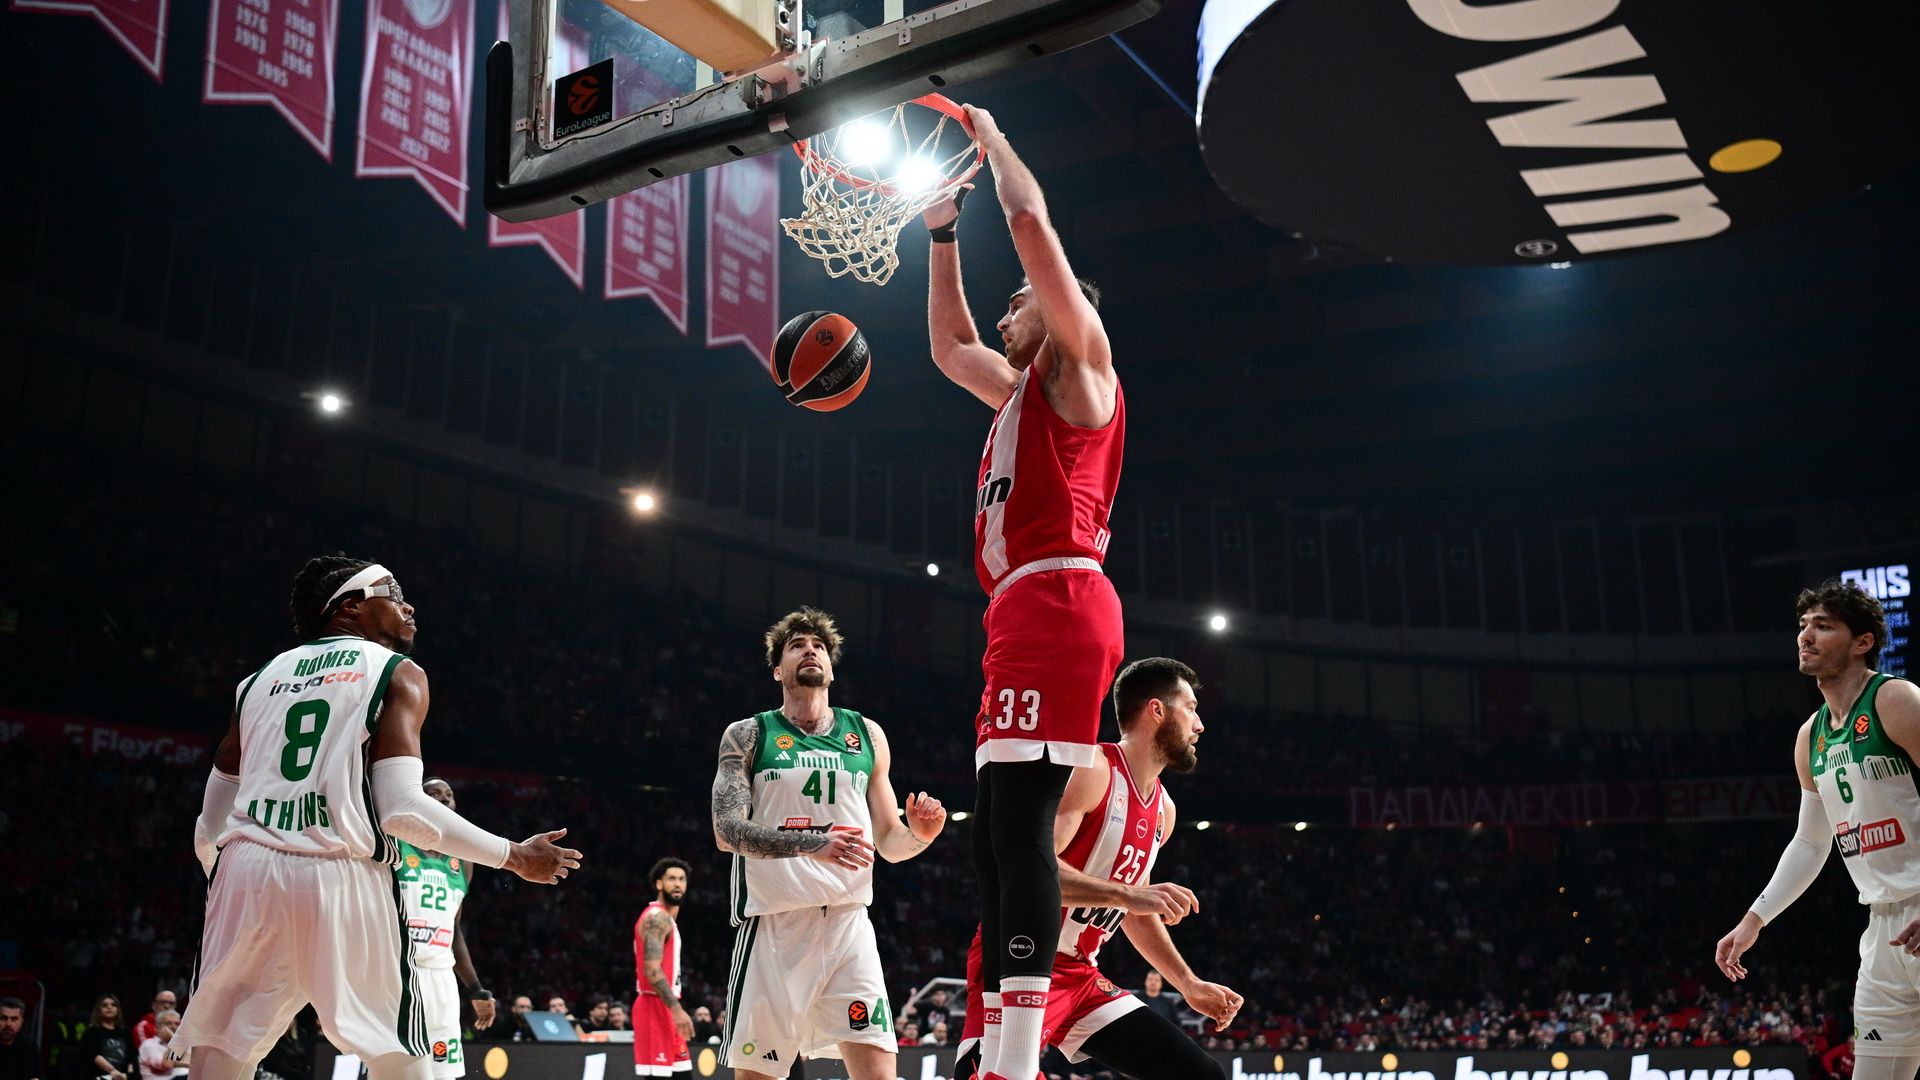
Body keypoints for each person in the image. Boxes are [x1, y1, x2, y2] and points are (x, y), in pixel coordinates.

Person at [173, 557, 582, 1080]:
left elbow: (210, 823)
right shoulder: (395, 671)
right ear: (349, 607)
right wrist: (514, 855)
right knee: (396, 1049)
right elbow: (402, 809)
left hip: (245, 871)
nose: (408, 606)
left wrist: (231, 874)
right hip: (338, 866)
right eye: (393, 593)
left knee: (223, 1048)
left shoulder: (255, 681)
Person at [922, 103, 1127, 1080]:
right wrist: (941, 234)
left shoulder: (1080, 369)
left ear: (1059, 305)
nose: (1006, 318)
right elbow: (949, 347)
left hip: (1059, 599)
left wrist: (990, 140)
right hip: (1021, 610)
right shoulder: (1018, 394)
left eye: (1019, 303)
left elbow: (1033, 223)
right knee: (996, 841)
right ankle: (1009, 1048)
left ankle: (1011, 1060)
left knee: (1021, 828)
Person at [955, 659, 1242, 1080]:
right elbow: (1027, 871)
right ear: (1156, 710)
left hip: (1080, 977)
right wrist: (1127, 894)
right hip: (1019, 957)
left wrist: (1188, 983)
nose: (1199, 725)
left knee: (1201, 1075)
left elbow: (1136, 911)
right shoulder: (1093, 769)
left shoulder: (1164, 810)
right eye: (1191, 709)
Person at [709, 607, 949, 1080]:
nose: (810, 651)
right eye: (796, 645)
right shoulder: (749, 734)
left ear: (831, 669)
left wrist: (919, 836)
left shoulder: (867, 734)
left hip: (849, 924)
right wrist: (811, 843)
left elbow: (889, 841)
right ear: (777, 669)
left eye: (818, 646)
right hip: (776, 926)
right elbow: (727, 831)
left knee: (879, 1072)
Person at [1715, 580, 1920, 1080]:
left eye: (1823, 626)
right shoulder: (1811, 736)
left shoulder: (1895, 699)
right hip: (1883, 927)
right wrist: (1754, 920)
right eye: (1803, 625)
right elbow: (1810, 842)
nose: (1805, 635)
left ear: (1862, 641)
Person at [396, 776, 498, 1080]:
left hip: (441, 977)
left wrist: (476, 988)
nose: (443, 798)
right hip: (400, 971)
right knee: (395, 1068)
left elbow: (454, 931)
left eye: (449, 795)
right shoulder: (395, 846)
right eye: (434, 794)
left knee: (443, 1072)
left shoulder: (463, 862)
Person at [633, 857, 693, 1077]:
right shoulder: (657, 917)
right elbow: (652, 969)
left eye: (681, 879)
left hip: (667, 1007)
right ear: (659, 884)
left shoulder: (667, 918)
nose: (677, 884)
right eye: (671, 879)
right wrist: (677, 1010)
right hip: (653, 1006)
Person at [81, 996, 133, 1080]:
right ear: (99, 1010)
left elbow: (131, 1057)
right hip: (100, 1076)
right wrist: (113, 1071)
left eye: (113, 1005)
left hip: (123, 1076)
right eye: (104, 1005)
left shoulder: (125, 1032)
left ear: (118, 1010)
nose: (109, 1007)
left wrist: (129, 1075)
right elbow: (95, 1056)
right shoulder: (91, 1032)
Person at [1, 997, 42, 1080]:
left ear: (21, 1022)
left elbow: (37, 1076)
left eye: (14, 1019)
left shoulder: (29, 1046)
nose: (8, 1024)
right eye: (3, 1018)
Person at [135, 1012, 184, 1080]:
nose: (173, 1026)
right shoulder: (149, 1045)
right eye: (168, 1023)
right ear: (157, 1028)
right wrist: (173, 1040)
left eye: (177, 1024)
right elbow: (167, 1065)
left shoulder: (182, 1044)